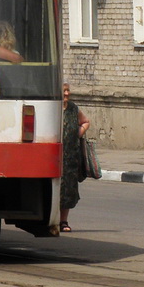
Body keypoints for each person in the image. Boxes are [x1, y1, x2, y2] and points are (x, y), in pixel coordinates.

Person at [60, 82, 91, 233]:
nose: (67, 94)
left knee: (68, 190)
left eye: (68, 91)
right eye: (64, 91)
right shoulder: (51, 107)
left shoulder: (73, 108)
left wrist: (78, 133)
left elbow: (86, 122)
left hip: (70, 157)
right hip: (54, 157)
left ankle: (63, 221)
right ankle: (50, 219)